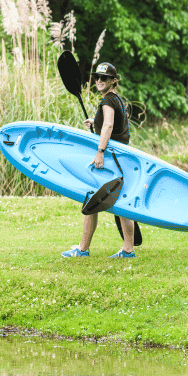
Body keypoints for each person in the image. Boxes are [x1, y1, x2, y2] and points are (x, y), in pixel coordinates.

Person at [61, 62, 137, 258]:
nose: (99, 81)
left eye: (104, 78)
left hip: (110, 158)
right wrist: (96, 123)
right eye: (97, 78)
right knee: (120, 203)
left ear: (113, 81)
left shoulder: (107, 102)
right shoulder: (116, 100)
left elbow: (110, 126)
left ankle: (82, 249)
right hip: (121, 158)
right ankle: (128, 249)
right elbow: (113, 125)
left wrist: (100, 151)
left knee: (91, 200)